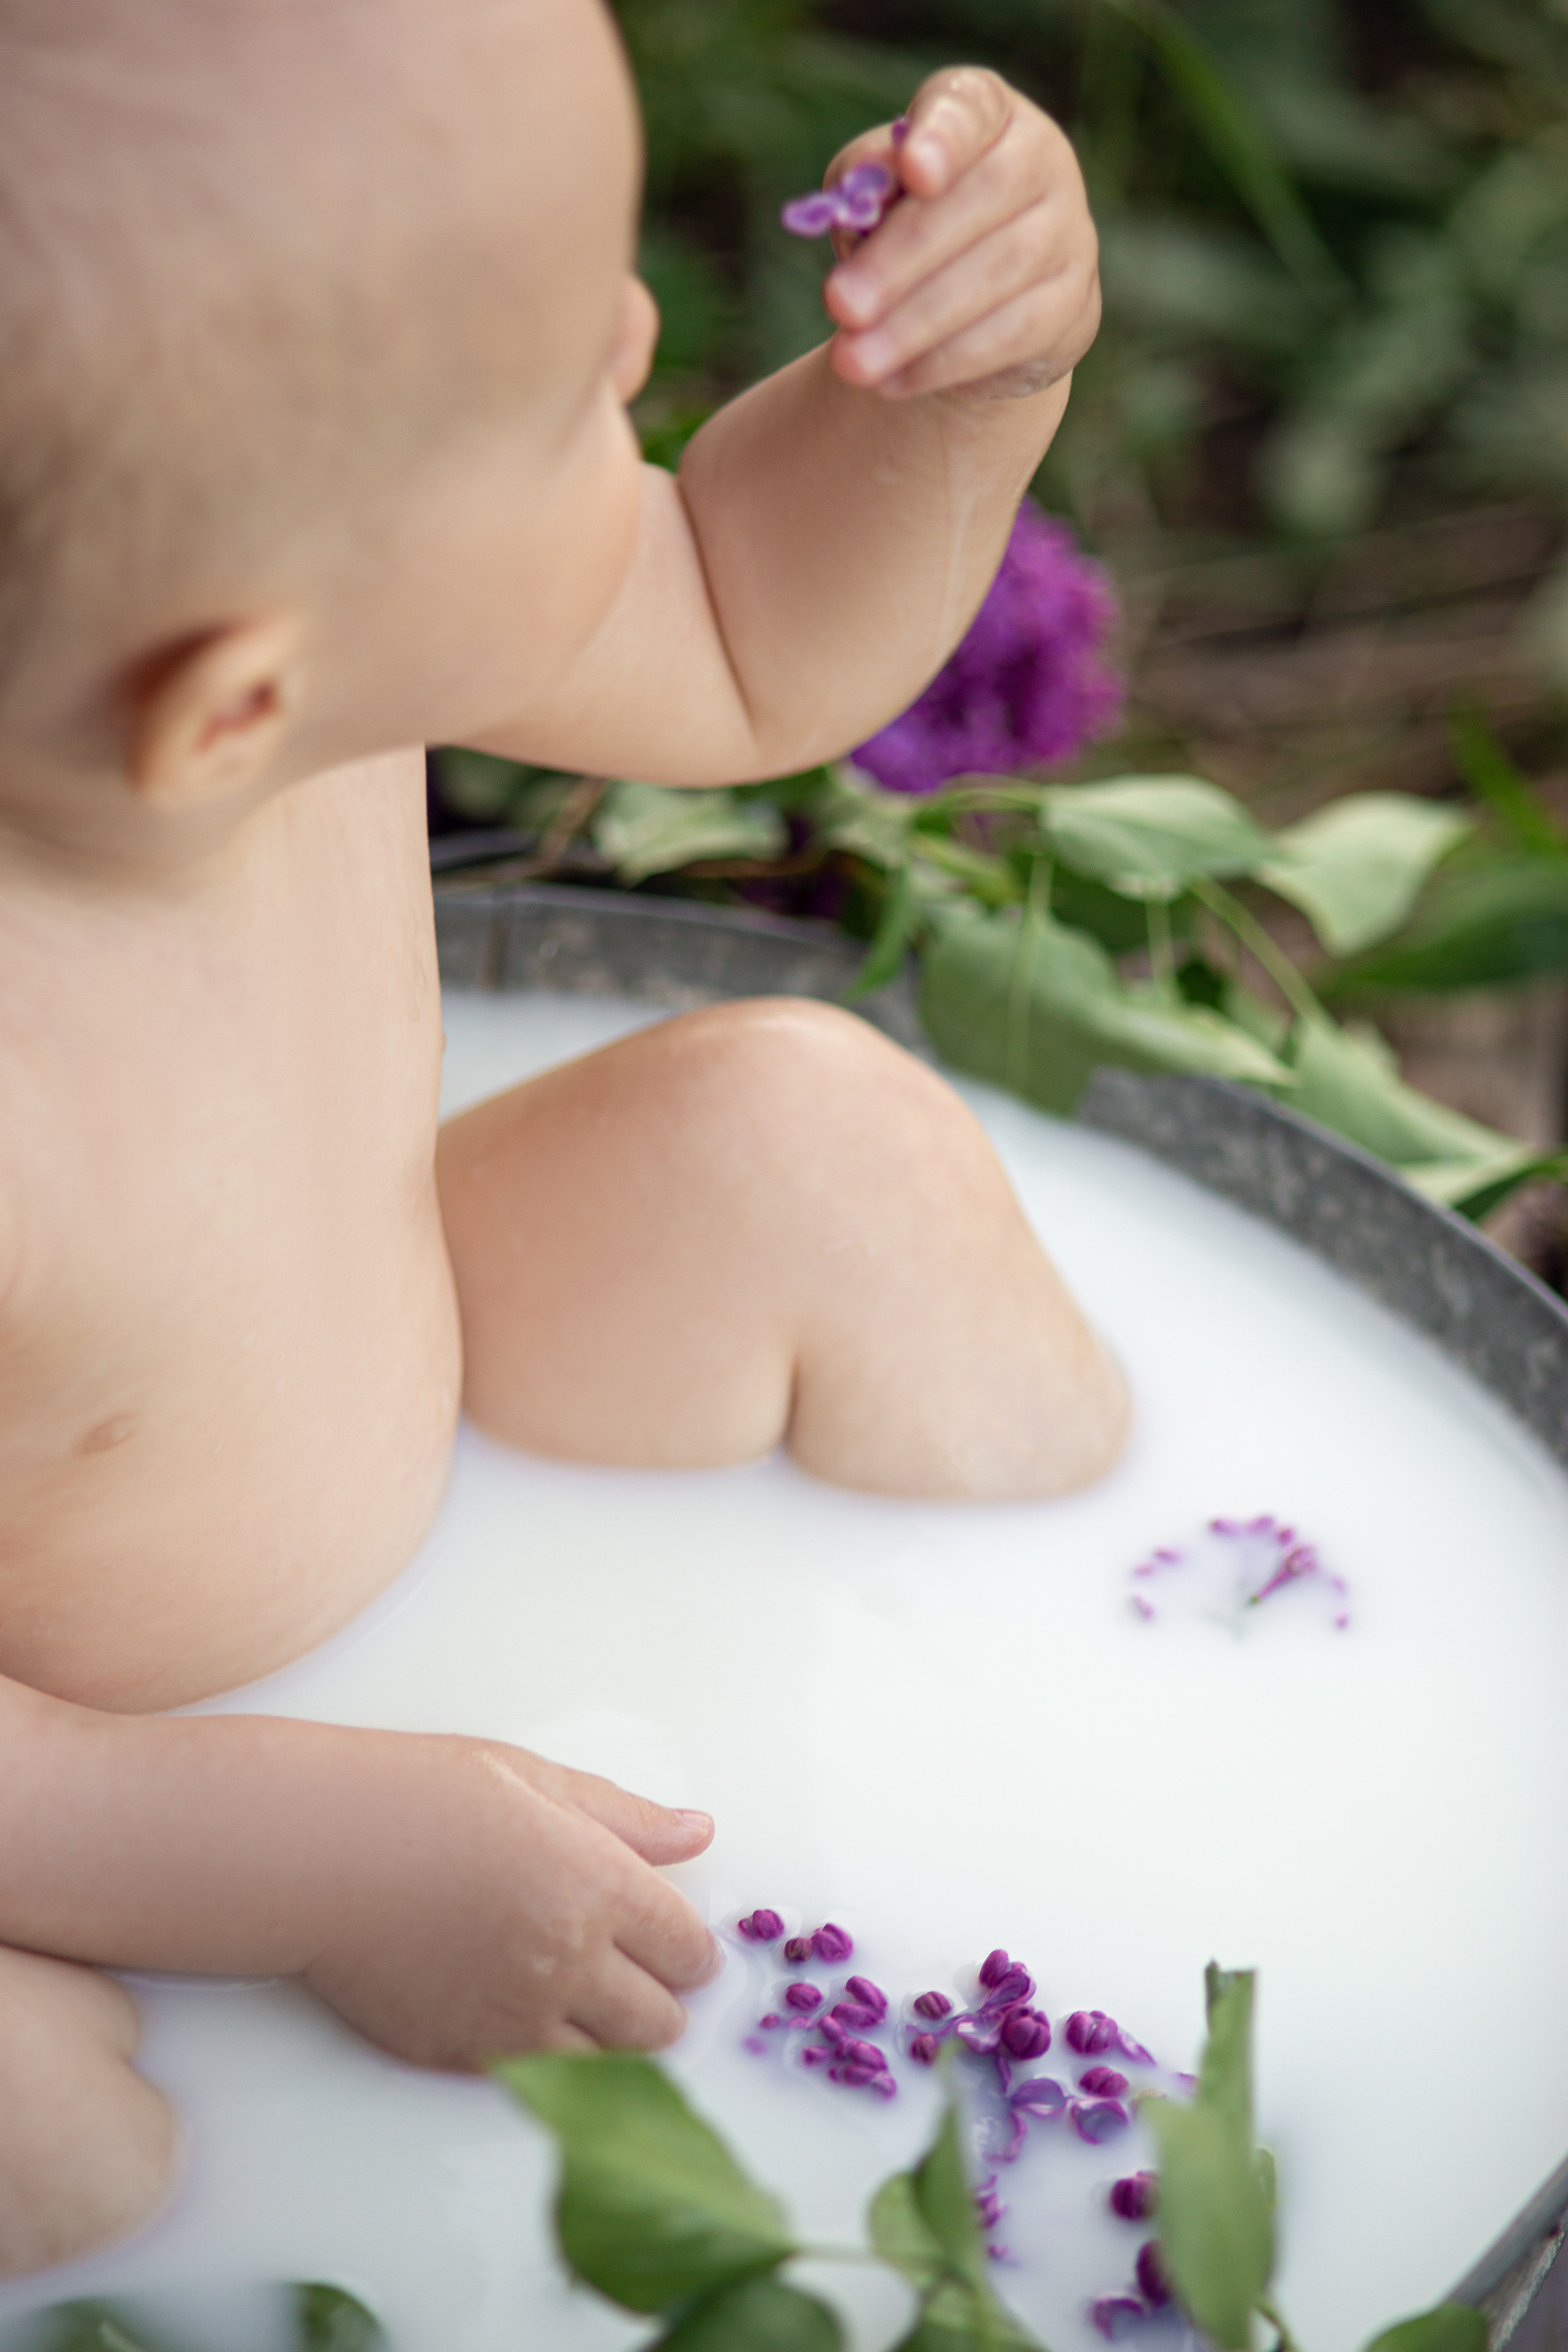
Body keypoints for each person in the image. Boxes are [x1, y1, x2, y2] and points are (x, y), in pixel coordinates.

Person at [0, 0, 1123, 2275]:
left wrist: (967, 376)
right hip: (69, 1801)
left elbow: (734, 618)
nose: (636, 336)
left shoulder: (236, 657)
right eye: (558, 392)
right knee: (48, 2147)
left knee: (813, 1139)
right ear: (235, 700)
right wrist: (292, 1861)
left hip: (417, 1402)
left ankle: (1143, 1707)